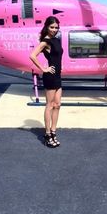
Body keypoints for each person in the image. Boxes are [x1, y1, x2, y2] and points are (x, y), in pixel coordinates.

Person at [30, 16, 63, 148]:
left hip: (58, 75)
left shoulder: (57, 40)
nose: (54, 29)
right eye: (51, 27)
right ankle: (47, 134)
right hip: (50, 76)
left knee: (58, 104)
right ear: (47, 27)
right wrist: (43, 68)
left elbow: (57, 56)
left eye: (56, 27)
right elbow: (32, 55)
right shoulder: (46, 41)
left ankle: (54, 131)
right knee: (49, 105)